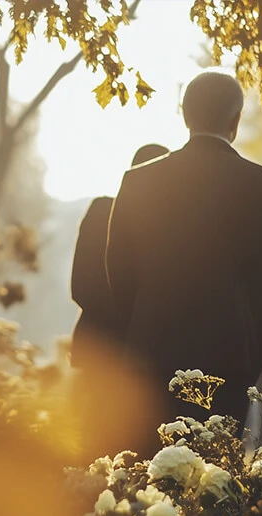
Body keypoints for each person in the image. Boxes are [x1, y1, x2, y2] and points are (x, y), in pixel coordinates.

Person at [106, 71, 262, 450]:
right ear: (235, 120)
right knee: (216, 466)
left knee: (155, 461)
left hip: (153, 348)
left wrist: (139, 320)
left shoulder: (138, 181)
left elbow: (118, 267)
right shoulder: (259, 183)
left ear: (184, 116)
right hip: (229, 352)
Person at [69, 143, 169, 456]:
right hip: (121, 349)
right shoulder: (109, 212)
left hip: (103, 344)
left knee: (102, 437)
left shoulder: (103, 211)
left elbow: (80, 287)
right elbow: (82, 285)